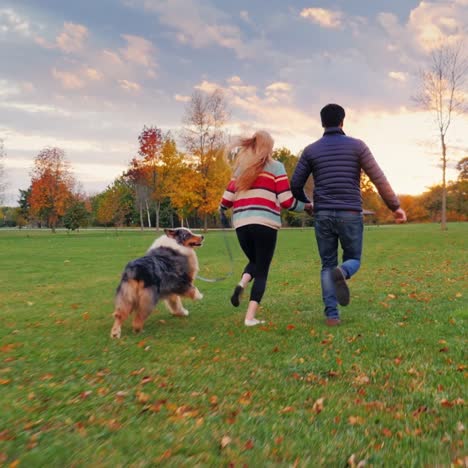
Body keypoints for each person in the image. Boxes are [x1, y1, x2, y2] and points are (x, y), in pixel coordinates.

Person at [291, 104, 407, 326]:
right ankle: (343, 272)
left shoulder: (311, 150)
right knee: (353, 259)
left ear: (322, 123)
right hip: (351, 213)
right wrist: (395, 206)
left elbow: (295, 185)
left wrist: (308, 203)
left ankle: (332, 315)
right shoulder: (358, 146)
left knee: (327, 264)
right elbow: (378, 178)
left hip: (323, 213)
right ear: (342, 122)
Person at [220, 130, 313, 326]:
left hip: (242, 225)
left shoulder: (240, 170)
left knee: (254, 260)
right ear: (268, 147)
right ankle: (250, 317)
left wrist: (221, 209)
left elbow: (226, 200)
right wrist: (306, 206)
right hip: (265, 224)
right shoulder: (276, 167)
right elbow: (286, 201)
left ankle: (241, 284)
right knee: (262, 269)